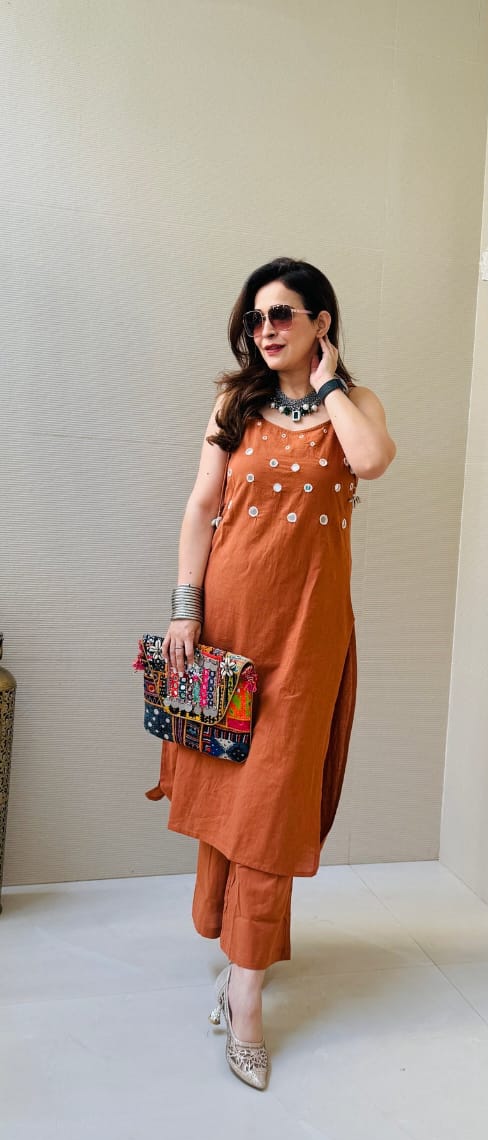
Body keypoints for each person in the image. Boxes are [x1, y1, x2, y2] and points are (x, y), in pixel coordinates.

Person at [145, 256, 397, 1089]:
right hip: (227, 625)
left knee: (272, 806)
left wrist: (327, 387)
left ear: (321, 321)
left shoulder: (354, 406)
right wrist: (184, 610)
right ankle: (239, 957)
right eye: (256, 318)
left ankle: (245, 995)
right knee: (230, 793)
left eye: (283, 314)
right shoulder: (235, 404)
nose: (266, 330)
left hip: (307, 634)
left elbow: (372, 462)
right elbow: (200, 507)